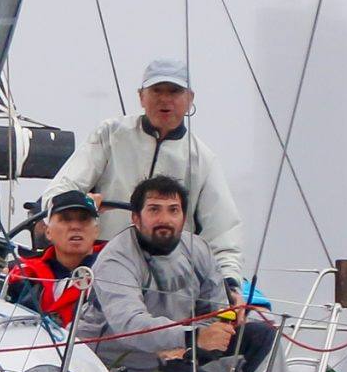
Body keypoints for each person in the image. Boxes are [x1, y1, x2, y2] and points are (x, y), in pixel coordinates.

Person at [47, 55, 247, 294]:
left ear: (189, 98)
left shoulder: (202, 159)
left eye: (174, 91)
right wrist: (82, 204)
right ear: (141, 96)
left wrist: (230, 284)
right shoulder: (111, 135)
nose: (164, 99)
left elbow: (224, 234)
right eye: (156, 90)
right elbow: (60, 190)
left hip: (169, 277)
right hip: (101, 266)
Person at [74, 175, 272, 372]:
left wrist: (195, 343)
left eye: (173, 210)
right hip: (113, 370)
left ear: (183, 217)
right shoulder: (116, 259)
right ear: (136, 218)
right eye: (154, 210)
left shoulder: (198, 250)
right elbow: (129, 325)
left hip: (178, 357)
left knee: (261, 336)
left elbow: (217, 312)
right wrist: (190, 338)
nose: (164, 219)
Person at [6, 188, 102, 325]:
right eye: (65, 219)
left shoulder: (114, 273)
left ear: (96, 231)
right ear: (48, 232)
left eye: (84, 219)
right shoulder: (21, 273)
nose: (75, 226)